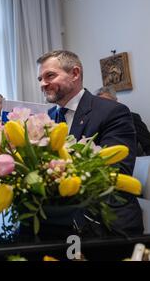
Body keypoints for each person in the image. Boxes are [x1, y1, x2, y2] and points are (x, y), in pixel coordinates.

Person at [37, 50, 142, 233]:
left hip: (104, 222)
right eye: (40, 79)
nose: (43, 84)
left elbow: (114, 172)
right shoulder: (47, 118)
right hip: (58, 219)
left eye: (50, 75)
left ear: (75, 73)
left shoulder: (113, 112)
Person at [96, 86, 150, 156]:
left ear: (116, 101)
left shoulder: (132, 118)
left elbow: (148, 145)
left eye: (108, 102)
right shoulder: (95, 121)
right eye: (100, 103)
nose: (104, 106)